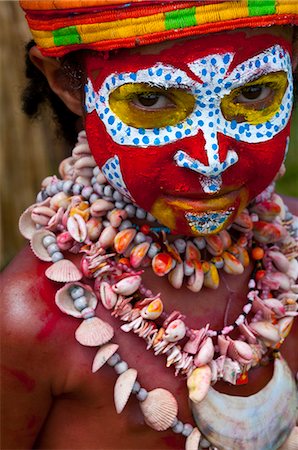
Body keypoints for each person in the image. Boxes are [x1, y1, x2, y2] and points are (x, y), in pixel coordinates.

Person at [1, 1, 298, 449]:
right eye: (149, 99)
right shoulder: (27, 321)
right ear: (66, 83)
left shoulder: (292, 251)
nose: (211, 159)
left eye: (254, 93)